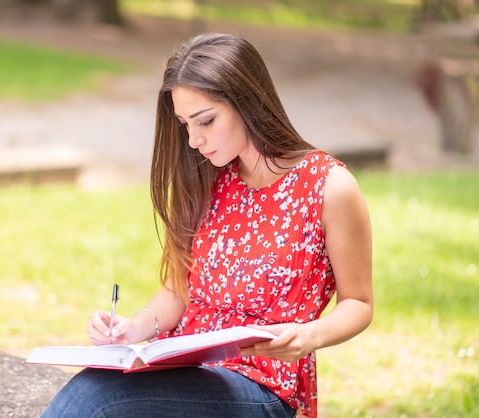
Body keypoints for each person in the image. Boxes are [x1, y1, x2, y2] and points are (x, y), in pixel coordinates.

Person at [41, 32, 373, 418]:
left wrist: (307, 336)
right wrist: (135, 328)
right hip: (184, 366)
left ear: (247, 101)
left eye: (206, 121)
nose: (194, 139)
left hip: (261, 382)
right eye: (185, 125)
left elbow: (359, 303)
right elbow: (180, 289)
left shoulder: (328, 186)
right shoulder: (209, 179)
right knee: (97, 386)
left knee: (101, 397)